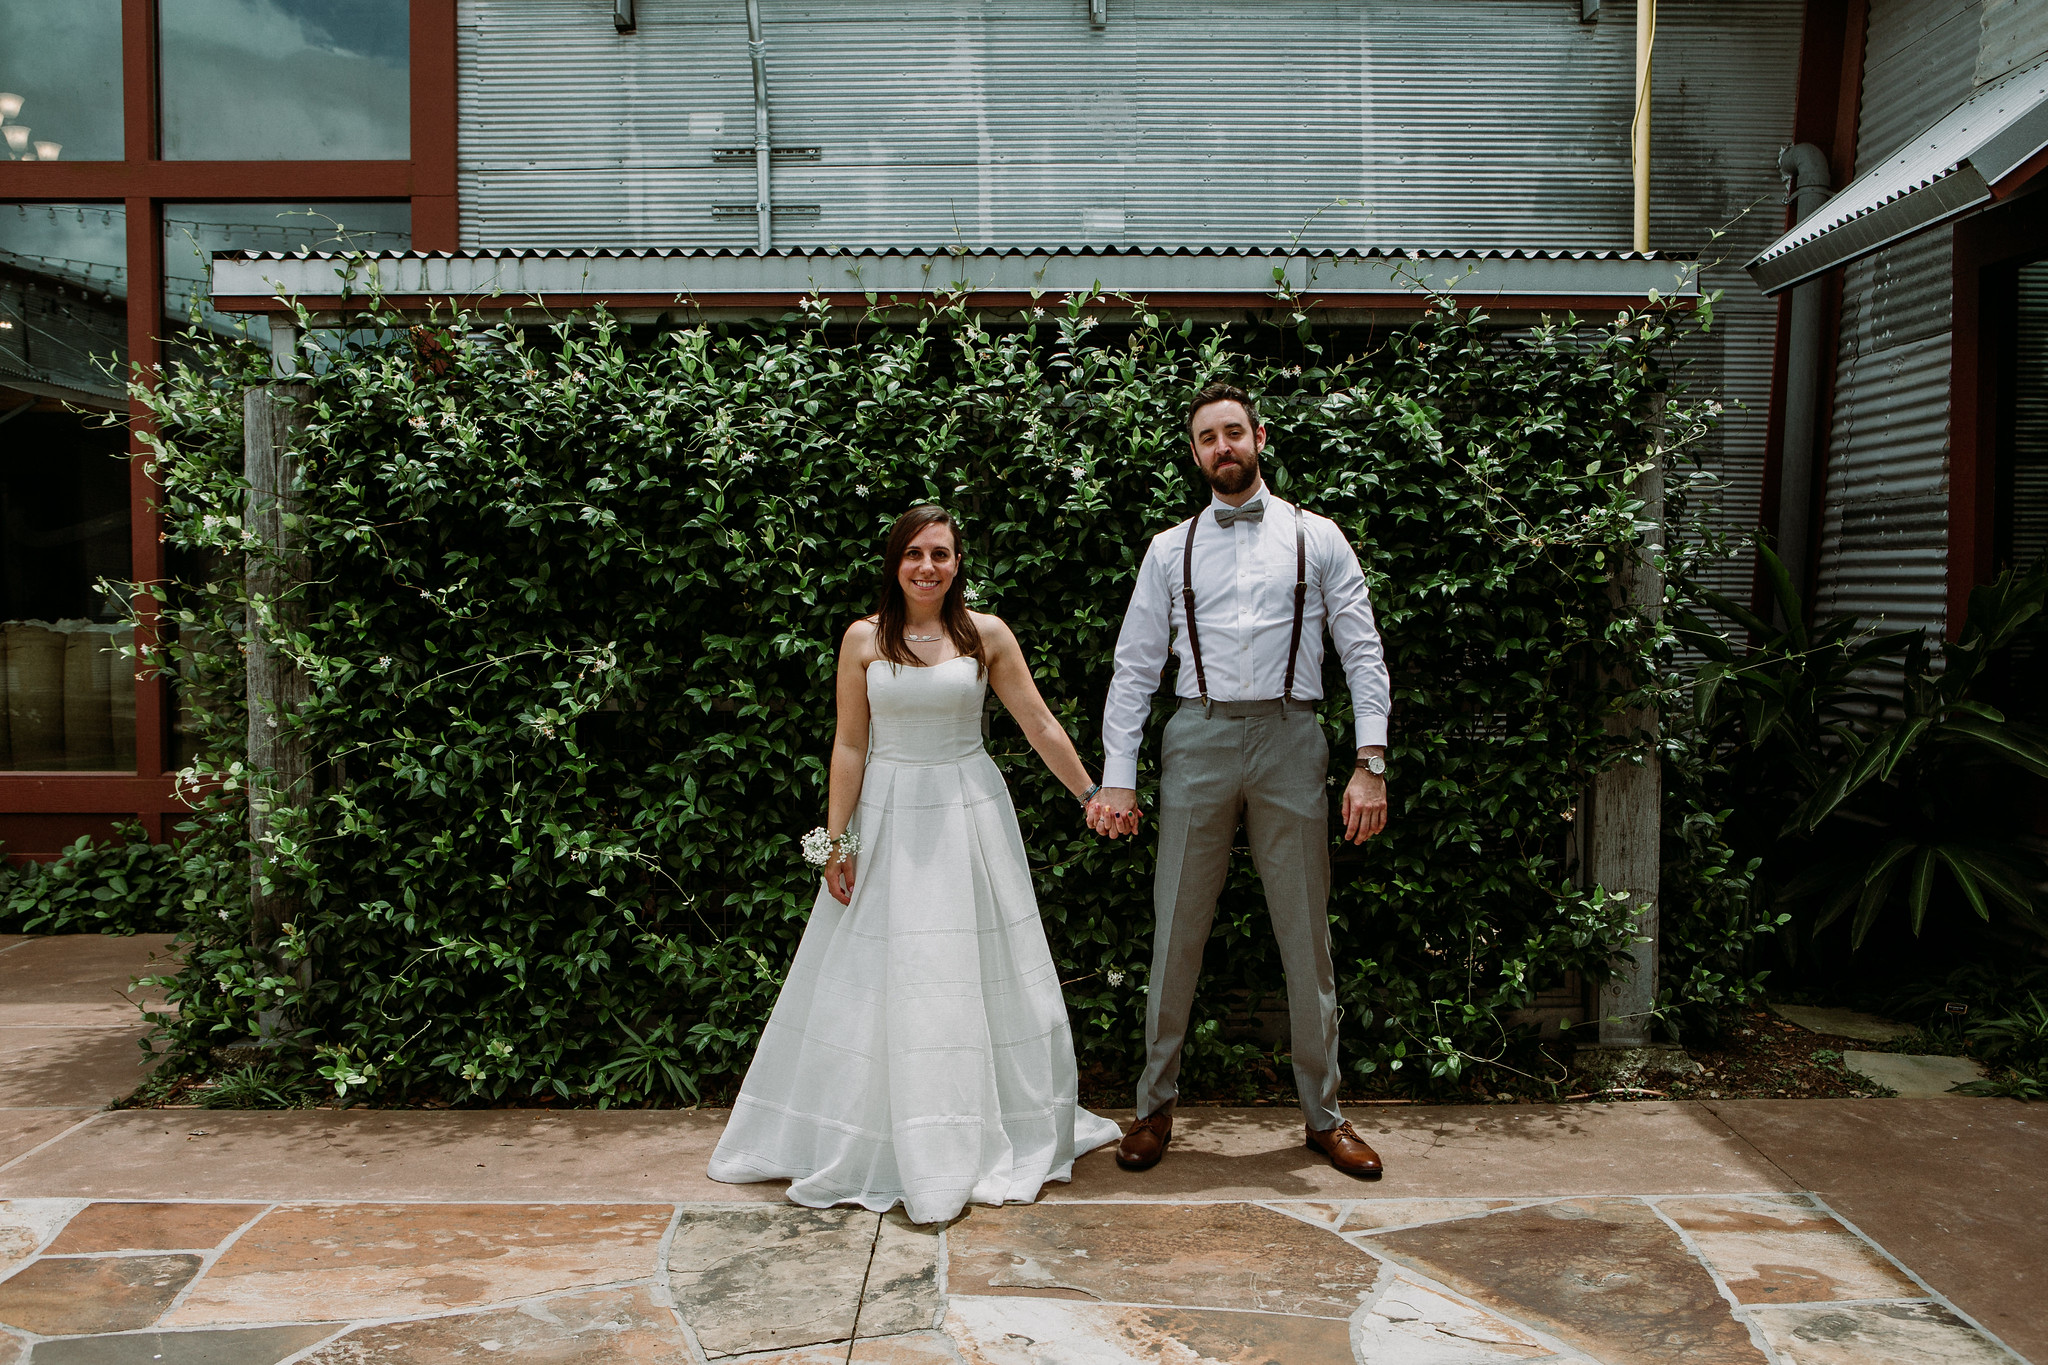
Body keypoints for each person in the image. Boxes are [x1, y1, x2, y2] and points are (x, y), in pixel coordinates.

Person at [708, 504, 1123, 1224]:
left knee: (974, 973)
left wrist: (1090, 790)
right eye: (914, 553)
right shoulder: (863, 639)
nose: (927, 566)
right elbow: (848, 745)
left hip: (968, 813)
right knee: (882, 978)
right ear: (895, 562)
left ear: (958, 562)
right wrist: (838, 842)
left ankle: (973, 1130)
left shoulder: (984, 634)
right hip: (890, 816)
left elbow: (1038, 722)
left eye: (942, 553)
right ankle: (881, 1135)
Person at [1085, 382, 1392, 1179]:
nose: (1223, 447)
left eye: (1233, 432)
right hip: (1198, 737)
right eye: (1206, 438)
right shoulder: (1168, 548)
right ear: (1195, 453)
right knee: (1176, 931)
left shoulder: (1319, 537)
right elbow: (1132, 671)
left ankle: (1323, 1116)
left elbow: (1362, 653)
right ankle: (1153, 1108)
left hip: (1294, 736)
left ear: (1259, 436)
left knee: (1306, 937)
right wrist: (1118, 779)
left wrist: (1371, 762)